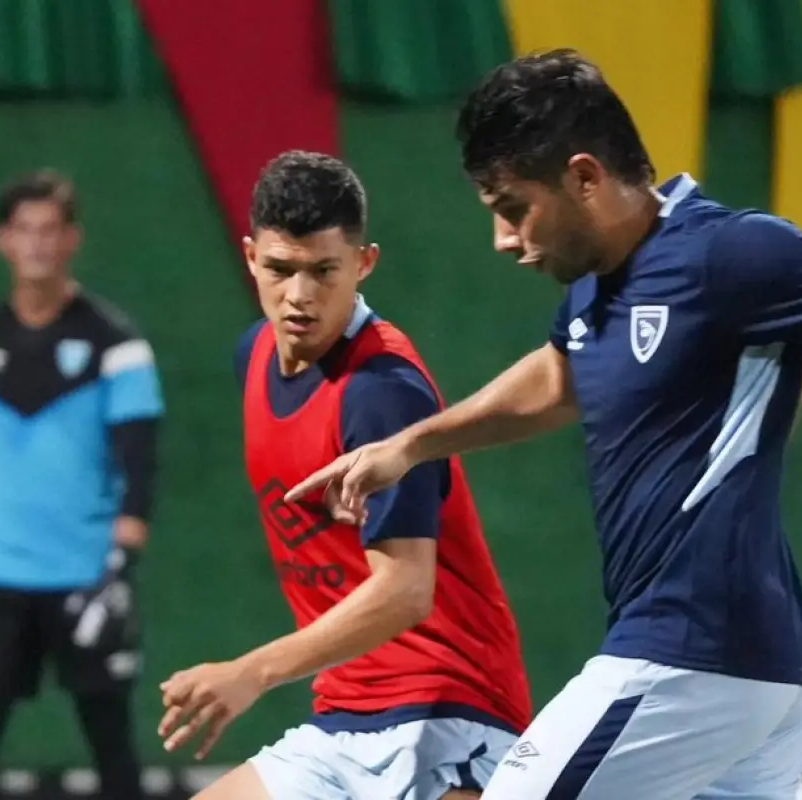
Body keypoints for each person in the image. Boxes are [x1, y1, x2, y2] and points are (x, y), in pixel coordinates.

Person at [285, 51, 802, 800]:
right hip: (756, 673)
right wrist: (410, 446)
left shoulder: (730, 255)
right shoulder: (597, 291)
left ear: (585, 177)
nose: (505, 240)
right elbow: (558, 376)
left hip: (694, 652)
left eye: (513, 210)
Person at [157, 150, 532, 800]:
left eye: (323, 272)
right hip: (343, 719)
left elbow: (406, 591)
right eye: (280, 270)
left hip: (450, 711)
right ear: (250, 257)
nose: (299, 296)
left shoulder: (380, 391)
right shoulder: (254, 356)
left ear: (364, 264)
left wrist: (252, 672)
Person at [0, 170, 161, 800]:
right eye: (24, 230)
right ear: (2, 241)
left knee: (112, 744)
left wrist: (118, 569)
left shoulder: (115, 347)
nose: (38, 244)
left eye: (50, 230)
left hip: (85, 580)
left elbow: (139, 463)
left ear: (72, 240)